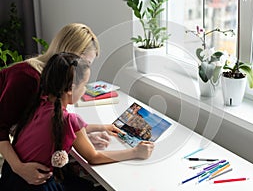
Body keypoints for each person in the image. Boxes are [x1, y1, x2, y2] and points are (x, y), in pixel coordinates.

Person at [0, 53, 154, 190]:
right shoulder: (68, 119)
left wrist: (101, 127)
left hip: (11, 178)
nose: (85, 90)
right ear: (70, 89)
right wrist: (135, 152)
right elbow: (93, 157)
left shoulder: (42, 102)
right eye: (84, 85)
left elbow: (57, 129)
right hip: (35, 184)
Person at [0, 23, 120, 185]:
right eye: (82, 63)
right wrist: (19, 167)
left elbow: (48, 122)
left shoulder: (55, 83)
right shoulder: (27, 78)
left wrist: (82, 135)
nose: (84, 70)